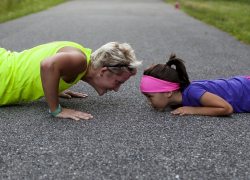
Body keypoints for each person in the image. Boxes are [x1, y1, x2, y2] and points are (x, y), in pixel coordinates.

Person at [0, 41, 141, 120]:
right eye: (118, 82)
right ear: (103, 71)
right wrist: (56, 110)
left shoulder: (79, 54)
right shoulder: (80, 61)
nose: (116, 89)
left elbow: (41, 61)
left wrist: (52, 86)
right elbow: (47, 65)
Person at [140, 53, 250, 116]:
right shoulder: (178, 97)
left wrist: (193, 110)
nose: (149, 103)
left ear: (169, 92)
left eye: (150, 96)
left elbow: (226, 108)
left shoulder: (192, 91)